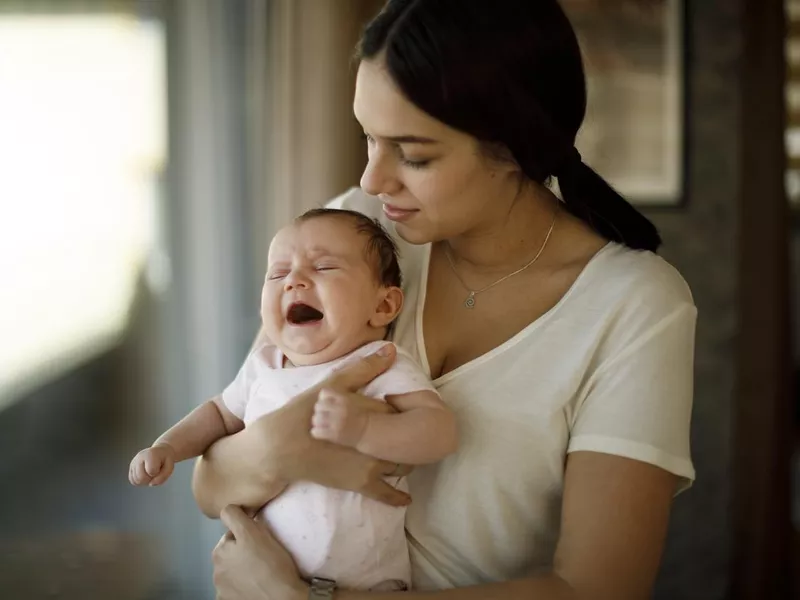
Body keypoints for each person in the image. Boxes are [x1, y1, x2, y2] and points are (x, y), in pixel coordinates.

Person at [194, 1, 698, 598]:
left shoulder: (635, 308)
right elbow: (212, 483)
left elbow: (600, 587)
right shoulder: (356, 236)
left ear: (515, 148)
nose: (374, 179)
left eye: (414, 154)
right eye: (368, 137)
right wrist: (279, 447)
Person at [129, 208, 458, 591]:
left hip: (367, 586)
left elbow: (440, 431)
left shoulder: (380, 363)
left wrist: (366, 427)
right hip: (254, 581)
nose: (294, 282)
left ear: (382, 306)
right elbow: (219, 414)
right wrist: (169, 446)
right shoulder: (264, 364)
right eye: (278, 273)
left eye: (323, 268)